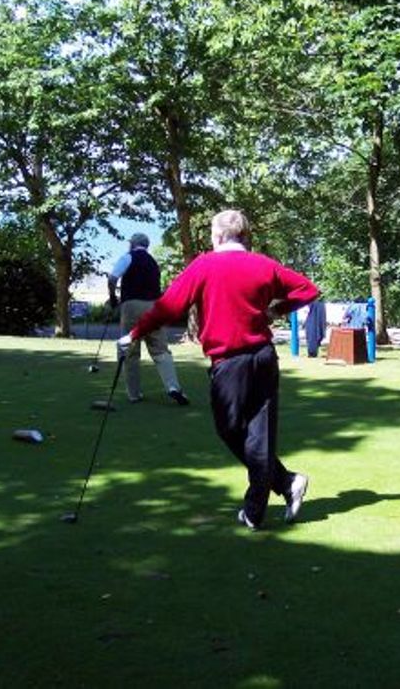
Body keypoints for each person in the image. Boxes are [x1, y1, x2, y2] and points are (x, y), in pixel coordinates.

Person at [116, 210, 319, 529]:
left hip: (229, 360)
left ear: (219, 235)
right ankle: (279, 490)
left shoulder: (204, 265)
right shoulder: (263, 264)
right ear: (243, 235)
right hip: (264, 357)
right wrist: (277, 310)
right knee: (258, 435)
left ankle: (265, 502)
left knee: (232, 430)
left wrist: (134, 333)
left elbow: (169, 306)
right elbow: (308, 289)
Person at [108, 232, 190, 406]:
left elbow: (112, 278)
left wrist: (113, 298)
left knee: (130, 351)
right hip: (154, 307)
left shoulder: (128, 257)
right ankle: (173, 386)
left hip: (131, 305)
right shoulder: (153, 262)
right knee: (160, 350)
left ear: (132, 244)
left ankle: (134, 393)